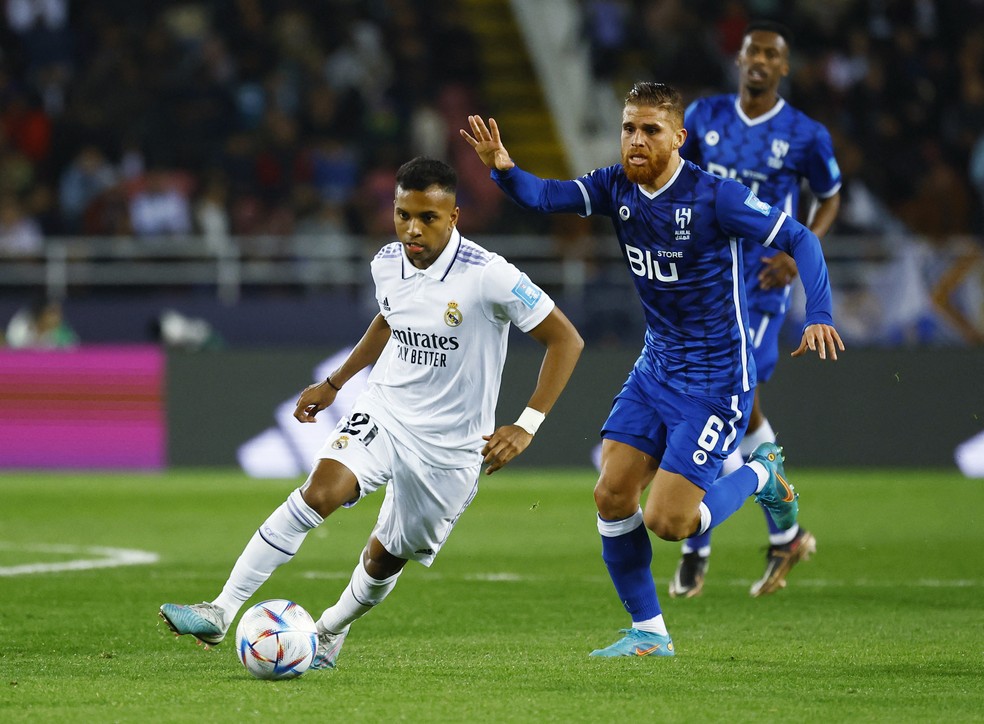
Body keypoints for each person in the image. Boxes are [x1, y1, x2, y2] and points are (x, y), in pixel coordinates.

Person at [461, 81, 843, 657]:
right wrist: (504, 168)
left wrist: (818, 311)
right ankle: (650, 633)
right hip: (656, 366)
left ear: (678, 138)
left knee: (670, 521)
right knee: (612, 495)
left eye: (650, 130)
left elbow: (800, 237)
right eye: (628, 129)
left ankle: (765, 475)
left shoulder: (717, 197)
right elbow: (544, 198)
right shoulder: (615, 186)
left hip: (715, 381)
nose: (635, 141)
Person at [159, 157, 583, 668]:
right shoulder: (386, 262)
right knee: (320, 492)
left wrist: (526, 424)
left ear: (454, 217)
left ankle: (330, 630)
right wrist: (337, 382)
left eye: (428, 217)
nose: (413, 228)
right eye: (404, 214)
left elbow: (565, 338)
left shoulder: (488, 275)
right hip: (386, 409)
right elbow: (389, 319)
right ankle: (221, 610)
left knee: (385, 557)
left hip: (451, 447)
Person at [672, 20, 842, 598]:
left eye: (772, 54)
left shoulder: (804, 134)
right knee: (736, 413)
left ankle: (699, 541)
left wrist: (797, 257)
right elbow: (676, 180)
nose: (760, 61)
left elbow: (831, 194)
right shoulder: (703, 118)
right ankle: (786, 534)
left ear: (784, 67)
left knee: (726, 403)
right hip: (702, 281)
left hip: (761, 287)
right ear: (739, 60)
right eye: (752, 52)